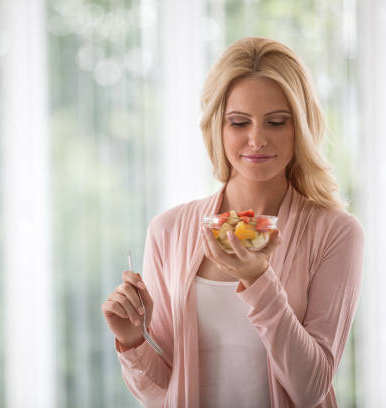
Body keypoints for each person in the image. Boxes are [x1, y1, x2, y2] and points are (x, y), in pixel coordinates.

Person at [101, 37, 364, 408]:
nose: (256, 139)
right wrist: (133, 341)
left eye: (276, 122)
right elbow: (165, 392)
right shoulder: (168, 231)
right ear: (217, 128)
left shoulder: (336, 232)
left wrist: (259, 280)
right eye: (239, 122)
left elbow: (311, 389)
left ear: (300, 127)